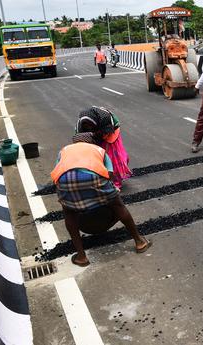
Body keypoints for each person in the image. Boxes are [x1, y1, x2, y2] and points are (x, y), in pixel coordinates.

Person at [51, 133, 150, 267]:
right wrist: (104, 193)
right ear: (91, 142)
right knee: (118, 206)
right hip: (93, 178)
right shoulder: (99, 150)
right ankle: (139, 242)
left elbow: (57, 172)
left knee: (69, 213)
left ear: (75, 143)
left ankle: (81, 256)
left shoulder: (64, 151)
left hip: (64, 180)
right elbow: (109, 173)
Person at [76, 106, 132, 189]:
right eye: (87, 128)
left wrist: (97, 136)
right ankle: (100, 177)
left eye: (90, 127)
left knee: (112, 156)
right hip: (99, 131)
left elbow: (107, 132)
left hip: (112, 130)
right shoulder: (79, 126)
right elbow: (79, 141)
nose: (89, 129)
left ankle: (115, 180)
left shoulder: (105, 118)